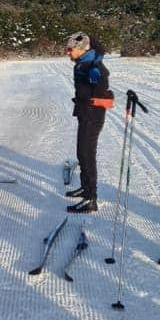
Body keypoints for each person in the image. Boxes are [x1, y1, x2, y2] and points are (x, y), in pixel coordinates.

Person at [65, 31, 113, 213]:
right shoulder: (83, 63)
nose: (68, 52)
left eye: (70, 49)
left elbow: (103, 89)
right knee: (81, 153)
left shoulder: (94, 66)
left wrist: (98, 84)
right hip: (85, 113)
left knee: (87, 154)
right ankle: (86, 188)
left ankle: (90, 198)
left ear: (81, 48)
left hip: (93, 115)